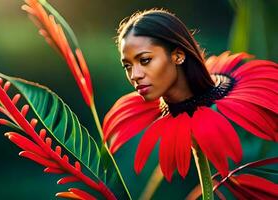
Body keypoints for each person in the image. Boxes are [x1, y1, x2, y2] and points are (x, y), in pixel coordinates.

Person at [103, 8, 278, 182]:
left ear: (178, 56)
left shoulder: (246, 84)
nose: (135, 75)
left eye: (145, 60)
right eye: (127, 66)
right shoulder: (131, 106)